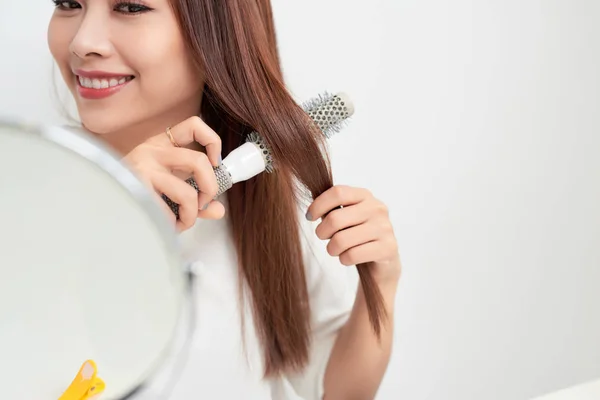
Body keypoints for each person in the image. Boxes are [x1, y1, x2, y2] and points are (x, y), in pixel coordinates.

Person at [47, 0, 401, 399]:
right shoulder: (24, 182)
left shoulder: (276, 204)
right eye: (67, 3)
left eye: (130, 7)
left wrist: (381, 285)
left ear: (218, 36)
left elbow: (336, 391)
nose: (82, 41)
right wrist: (111, 217)